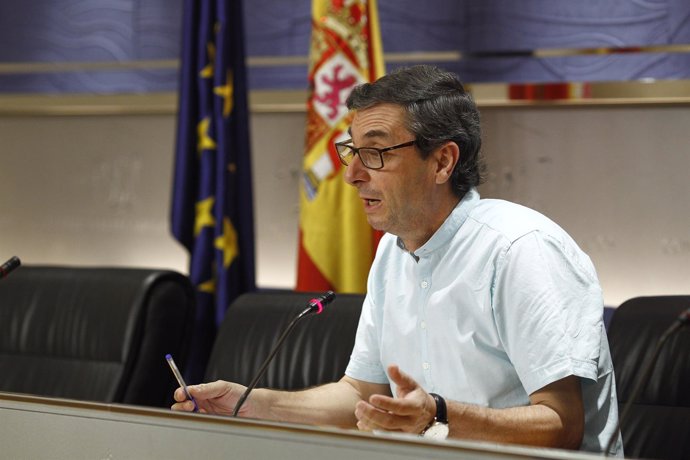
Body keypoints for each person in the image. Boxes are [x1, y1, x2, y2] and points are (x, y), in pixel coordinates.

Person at [172, 64, 623, 456]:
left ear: (443, 161)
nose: (352, 174)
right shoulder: (394, 249)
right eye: (351, 150)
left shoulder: (521, 249)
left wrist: (437, 415)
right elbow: (361, 395)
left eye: (376, 151)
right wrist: (251, 404)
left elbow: (562, 425)